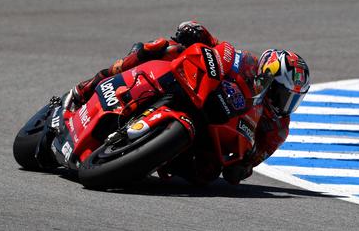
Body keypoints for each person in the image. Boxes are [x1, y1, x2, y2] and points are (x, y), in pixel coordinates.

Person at [64, 21, 311, 185]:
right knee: (163, 47)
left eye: (293, 99)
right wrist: (196, 31)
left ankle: (146, 158)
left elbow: (253, 160)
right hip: (198, 94)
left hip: (216, 132)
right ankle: (90, 85)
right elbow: (220, 49)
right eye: (282, 94)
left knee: (207, 174)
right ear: (267, 78)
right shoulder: (247, 65)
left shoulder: (278, 128)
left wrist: (243, 167)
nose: (285, 104)